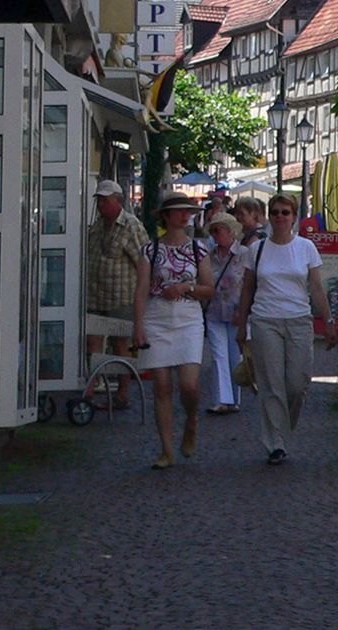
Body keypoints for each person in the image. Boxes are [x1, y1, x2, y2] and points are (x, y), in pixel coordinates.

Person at [236, 193, 338, 465]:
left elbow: (316, 288)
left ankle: (282, 428)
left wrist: (328, 321)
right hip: (264, 319)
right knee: (271, 384)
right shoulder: (256, 250)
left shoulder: (306, 248)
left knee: (297, 383)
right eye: (275, 212)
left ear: (294, 217)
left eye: (285, 212)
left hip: (299, 320)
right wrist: (240, 324)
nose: (280, 217)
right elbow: (247, 289)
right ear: (268, 217)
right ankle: (275, 443)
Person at [132, 191, 213, 469]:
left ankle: (191, 420)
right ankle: (166, 449)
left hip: (188, 316)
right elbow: (142, 289)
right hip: (157, 316)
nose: (184, 215)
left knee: (189, 384)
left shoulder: (198, 249)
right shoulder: (150, 249)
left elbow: (208, 288)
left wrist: (186, 287)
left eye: (187, 211)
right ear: (166, 217)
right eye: (178, 211)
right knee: (162, 386)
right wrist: (138, 326)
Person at [84, 179, 146, 410]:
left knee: (122, 345)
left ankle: (123, 394)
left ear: (118, 201)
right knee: (92, 342)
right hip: (95, 294)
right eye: (98, 200)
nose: (100, 205)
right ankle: (90, 388)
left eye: (104, 200)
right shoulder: (99, 224)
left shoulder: (131, 226)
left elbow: (144, 261)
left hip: (121, 297)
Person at [203, 212, 247, 415]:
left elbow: (250, 285)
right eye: (212, 231)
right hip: (214, 310)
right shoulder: (208, 256)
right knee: (218, 355)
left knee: (234, 356)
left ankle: (235, 399)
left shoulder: (245, 255)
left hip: (236, 311)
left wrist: (244, 310)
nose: (214, 235)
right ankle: (222, 399)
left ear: (230, 232)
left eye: (217, 230)